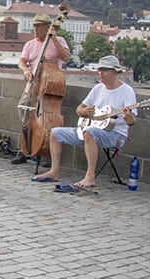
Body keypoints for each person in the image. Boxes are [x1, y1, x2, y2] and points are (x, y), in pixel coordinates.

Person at [32, 55, 137, 189]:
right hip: (91, 128)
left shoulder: (127, 91)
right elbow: (79, 108)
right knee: (55, 133)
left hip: (115, 134)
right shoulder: (98, 88)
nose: (100, 73)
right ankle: (54, 171)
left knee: (89, 133)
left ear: (115, 72)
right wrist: (84, 111)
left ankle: (90, 177)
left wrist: (128, 117)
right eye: (99, 69)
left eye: (104, 70)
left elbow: (132, 121)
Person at [12, 13, 71, 164]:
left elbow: (66, 57)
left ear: (47, 27)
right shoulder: (30, 44)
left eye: (38, 26)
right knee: (25, 113)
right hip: (32, 84)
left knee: (48, 119)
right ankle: (24, 149)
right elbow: (22, 61)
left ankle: (46, 152)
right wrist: (25, 70)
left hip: (49, 86)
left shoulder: (59, 40)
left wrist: (55, 39)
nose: (35, 29)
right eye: (34, 26)